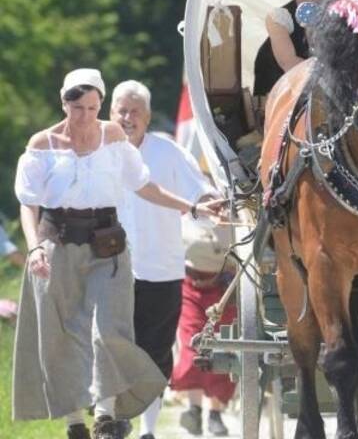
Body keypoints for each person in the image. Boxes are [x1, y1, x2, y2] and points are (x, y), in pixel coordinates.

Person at [13, 68, 223, 439]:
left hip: (107, 245)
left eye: (94, 107)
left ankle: (107, 415)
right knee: (62, 336)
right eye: (78, 108)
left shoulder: (111, 136)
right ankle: (75, 421)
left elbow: (143, 186)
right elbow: (28, 204)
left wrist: (191, 208)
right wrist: (34, 249)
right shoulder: (42, 145)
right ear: (64, 103)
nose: (86, 116)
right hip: (56, 244)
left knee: (109, 331)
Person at [110, 80, 217, 439]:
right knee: (110, 349)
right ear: (111, 114)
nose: (127, 118)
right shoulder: (98, 152)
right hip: (110, 272)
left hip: (161, 270)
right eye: (121, 111)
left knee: (154, 354)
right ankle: (112, 419)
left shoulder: (167, 152)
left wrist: (215, 203)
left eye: (134, 111)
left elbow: (200, 191)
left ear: (148, 116)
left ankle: (148, 430)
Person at [169, 217, 237, 437]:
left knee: (222, 348)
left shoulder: (235, 210)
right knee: (192, 346)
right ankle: (194, 409)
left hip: (225, 287)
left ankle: (215, 414)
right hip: (191, 287)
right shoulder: (186, 211)